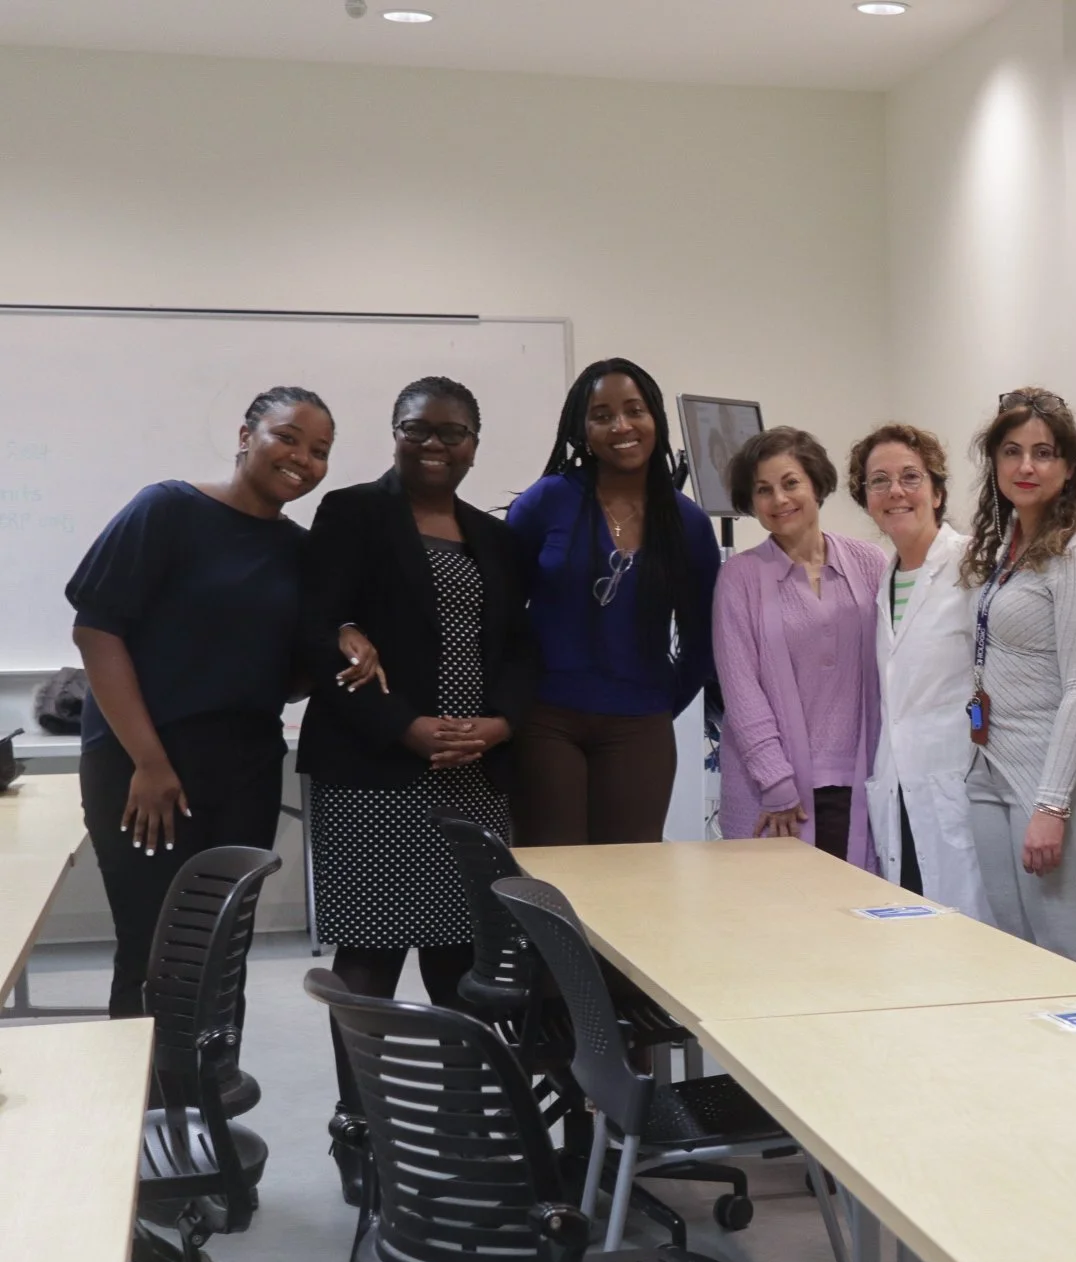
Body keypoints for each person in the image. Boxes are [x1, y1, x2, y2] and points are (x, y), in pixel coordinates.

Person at [67, 386, 380, 1018]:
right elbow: (96, 632)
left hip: (245, 770)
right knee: (156, 951)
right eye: (286, 437)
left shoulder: (300, 551)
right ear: (245, 436)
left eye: (320, 451)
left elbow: (285, 677)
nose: (302, 459)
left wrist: (344, 641)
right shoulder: (167, 508)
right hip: (143, 766)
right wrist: (150, 764)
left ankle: (212, 1079)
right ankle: (148, 1083)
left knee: (223, 949)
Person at [298, 376, 535, 1196]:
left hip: (474, 777)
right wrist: (403, 726)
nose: (434, 444)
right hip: (374, 772)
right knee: (370, 957)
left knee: (464, 960)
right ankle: (362, 1135)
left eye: (451, 432)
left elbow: (518, 648)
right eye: (417, 429)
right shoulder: (353, 513)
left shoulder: (494, 537)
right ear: (395, 433)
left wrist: (500, 725)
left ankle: (458, 1131)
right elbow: (318, 630)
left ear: (475, 443)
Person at [506, 358, 721, 846]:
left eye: (634, 411)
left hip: (639, 724)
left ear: (655, 418)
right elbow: (501, 612)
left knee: (629, 877)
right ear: (582, 430)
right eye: (602, 416)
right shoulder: (546, 502)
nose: (621, 426)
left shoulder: (688, 523)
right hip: (546, 721)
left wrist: (656, 705)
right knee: (551, 871)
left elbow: (701, 638)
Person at [959, 388, 1076, 968]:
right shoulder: (1006, 544)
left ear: (1070, 466)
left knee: (1068, 958)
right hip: (991, 764)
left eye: (1043, 452)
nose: (1025, 466)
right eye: (1011, 451)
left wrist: (1051, 807)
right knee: (1015, 955)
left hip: (1060, 778)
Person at [711, 426, 882, 864]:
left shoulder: (870, 563)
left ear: (816, 484)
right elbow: (740, 689)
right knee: (777, 904)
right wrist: (775, 781)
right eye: (763, 490)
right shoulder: (739, 577)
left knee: (855, 903)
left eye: (791, 483)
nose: (779, 499)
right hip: (773, 793)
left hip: (859, 784)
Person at [854, 424, 990, 918]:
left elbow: (997, 677)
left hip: (959, 783)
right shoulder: (883, 579)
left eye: (910, 477)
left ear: (936, 491)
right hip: (898, 787)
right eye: (879, 481)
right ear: (866, 499)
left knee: (970, 934)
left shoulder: (975, 565)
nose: (895, 491)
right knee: (912, 930)